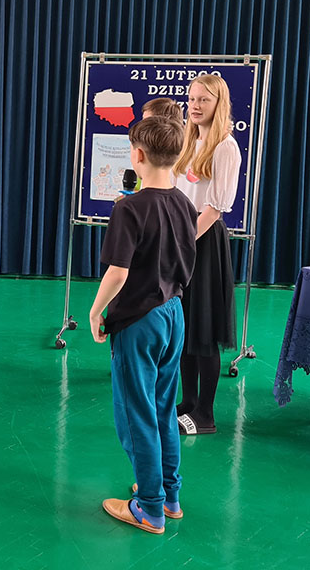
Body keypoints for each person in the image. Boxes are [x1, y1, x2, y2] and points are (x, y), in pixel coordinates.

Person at [88, 117, 197, 535]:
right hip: (173, 314)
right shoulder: (184, 203)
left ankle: (148, 507)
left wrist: (97, 311)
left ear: (137, 155)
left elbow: (118, 273)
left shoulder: (129, 208)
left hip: (139, 321)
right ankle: (169, 495)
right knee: (163, 407)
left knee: (136, 414)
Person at [171, 74, 242, 435]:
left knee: (204, 329)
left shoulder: (226, 147)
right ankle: (188, 402)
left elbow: (214, 209)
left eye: (204, 100)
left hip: (203, 242)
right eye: (192, 98)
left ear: (219, 104)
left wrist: (181, 244)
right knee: (184, 328)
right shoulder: (189, 142)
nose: (195, 106)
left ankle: (206, 415)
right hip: (182, 238)